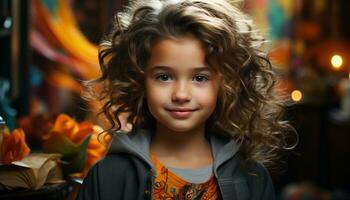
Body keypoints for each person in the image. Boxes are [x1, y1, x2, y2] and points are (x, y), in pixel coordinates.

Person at [77, 0, 295, 199]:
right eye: (164, 77)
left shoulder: (251, 178)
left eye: (199, 78)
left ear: (227, 84)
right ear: (139, 79)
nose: (181, 94)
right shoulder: (107, 177)